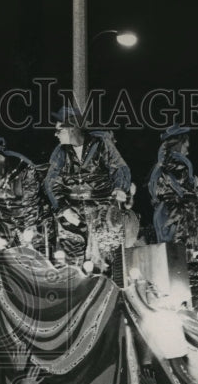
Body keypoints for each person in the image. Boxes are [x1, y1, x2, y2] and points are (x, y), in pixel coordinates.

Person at [43, 107, 132, 271]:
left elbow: (120, 168)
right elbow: (51, 182)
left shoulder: (101, 144)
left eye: (59, 130)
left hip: (102, 212)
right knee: (70, 264)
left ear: (72, 128)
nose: (55, 134)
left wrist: (120, 188)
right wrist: (63, 208)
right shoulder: (60, 152)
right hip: (73, 216)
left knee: (107, 262)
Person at [0, 137, 51, 255]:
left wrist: (30, 230)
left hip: (34, 226)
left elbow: (32, 204)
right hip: (6, 232)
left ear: (0, 159)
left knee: (37, 262)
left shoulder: (24, 172)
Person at [147, 124, 198, 255]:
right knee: (179, 252)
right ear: (179, 143)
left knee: (171, 253)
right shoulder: (179, 163)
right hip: (177, 213)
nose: (187, 151)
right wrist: (194, 185)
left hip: (166, 212)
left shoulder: (163, 163)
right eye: (186, 146)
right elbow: (184, 189)